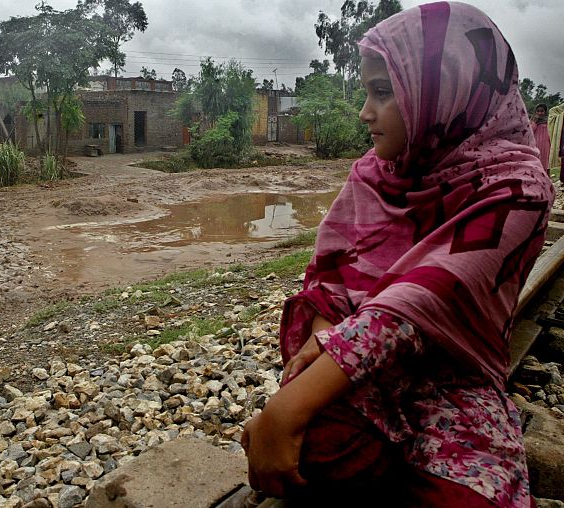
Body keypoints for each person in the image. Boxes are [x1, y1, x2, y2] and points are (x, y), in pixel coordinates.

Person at [242, 2, 554, 507]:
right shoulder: (373, 174)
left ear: (443, 89)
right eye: (366, 92)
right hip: (361, 367)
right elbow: (331, 279)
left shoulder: (515, 189)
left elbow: (420, 303)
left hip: (452, 379)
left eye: (383, 92)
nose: (365, 112)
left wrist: (286, 409)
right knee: (316, 447)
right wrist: (318, 346)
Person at [532, 103, 551, 174]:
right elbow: (531, 131)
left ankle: (545, 179)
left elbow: (551, 132)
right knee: (536, 161)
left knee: (545, 162)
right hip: (535, 144)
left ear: (545, 112)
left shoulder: (549, 121)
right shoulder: (533, 120)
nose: (540, 113)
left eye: (542, 111)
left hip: (546, 145)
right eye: (538, 111)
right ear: (535, 111)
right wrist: (535, 122)